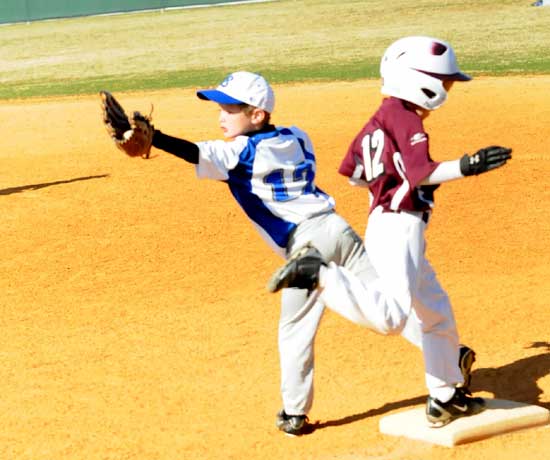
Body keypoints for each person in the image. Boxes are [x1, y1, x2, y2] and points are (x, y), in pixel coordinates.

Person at [131, 70, 472, 436]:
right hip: (338, 229)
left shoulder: (238, 153)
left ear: (257, 114)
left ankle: (294, 413)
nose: (221, 116)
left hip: (307, 245)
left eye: (230, 109)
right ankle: (451, 358)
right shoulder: (296, 136)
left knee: (295, 329)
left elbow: (196, 152)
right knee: (388, 304)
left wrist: (159, 138)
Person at [333, 36, 512, 427]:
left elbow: (353, 174)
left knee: (436, 314)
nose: (446, 88)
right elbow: (422, 173)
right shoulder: (405, 117)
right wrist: (469, 165)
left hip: (391, 224)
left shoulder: (382, 116)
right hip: (399, 228)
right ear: (417, 79)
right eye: (442, 80)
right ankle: (321, 278)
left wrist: (388, 189)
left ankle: (445, 396)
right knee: (393, 316)